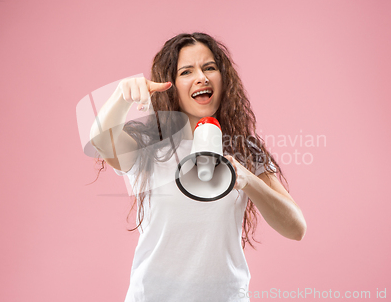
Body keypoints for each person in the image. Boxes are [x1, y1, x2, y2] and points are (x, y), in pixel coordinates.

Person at [89, 32, 306, 302]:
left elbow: (296, 227)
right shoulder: (149, 148)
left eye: (210, 68)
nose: (201, 77)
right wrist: (122, 96)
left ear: (223, 80)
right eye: (186, 71)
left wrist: (248, 178)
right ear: (171, 85)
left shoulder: (245, 151)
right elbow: (100, 140)